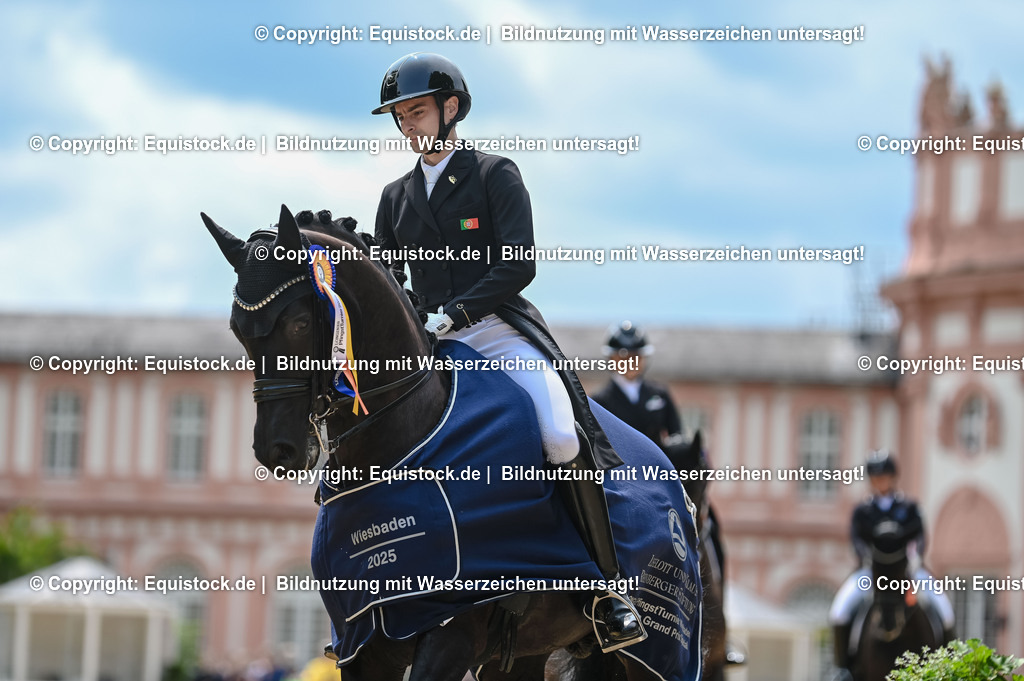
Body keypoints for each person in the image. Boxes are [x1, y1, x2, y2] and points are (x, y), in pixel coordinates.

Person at [371, 52, 644, 652]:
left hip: (495, 329)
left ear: (451, 109)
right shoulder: (394, 197)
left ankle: (606, 589)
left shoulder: (495, 173)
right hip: (432, 344)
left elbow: (519, 262)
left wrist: (459, 312)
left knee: (560, 433)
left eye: (417, 111)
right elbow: (393, 281)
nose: (408, 124)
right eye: (399, 115)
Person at [829, 450, 955, 678]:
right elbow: (857, 539)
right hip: (871, 572)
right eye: (876, 477)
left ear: (893, 477)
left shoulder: (908, 507)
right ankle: (844, 668)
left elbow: (919, 536)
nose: (880, 481)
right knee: (839, 611)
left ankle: (948, 665)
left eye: (884, 476)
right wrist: (866, 557)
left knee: (945, 610)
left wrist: (915, 558)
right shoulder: (863, 511)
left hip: (907, 570)